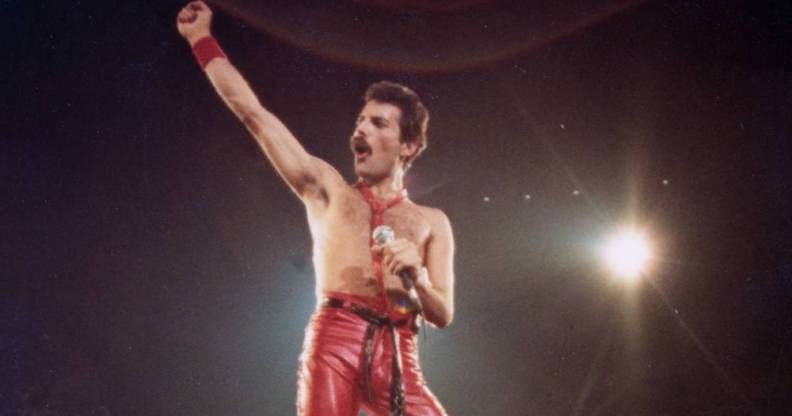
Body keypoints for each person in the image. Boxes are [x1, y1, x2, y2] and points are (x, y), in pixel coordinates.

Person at [177, 2, 454, 415]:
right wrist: (201, 39)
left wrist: (417, 280)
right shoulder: (328, 189)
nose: (360, 128)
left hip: (399, 349)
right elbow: (254, 115)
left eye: (378, 123)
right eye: (360, 120)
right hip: (335, 338)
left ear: (408, 146)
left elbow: (443, 313)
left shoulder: (432, 222)